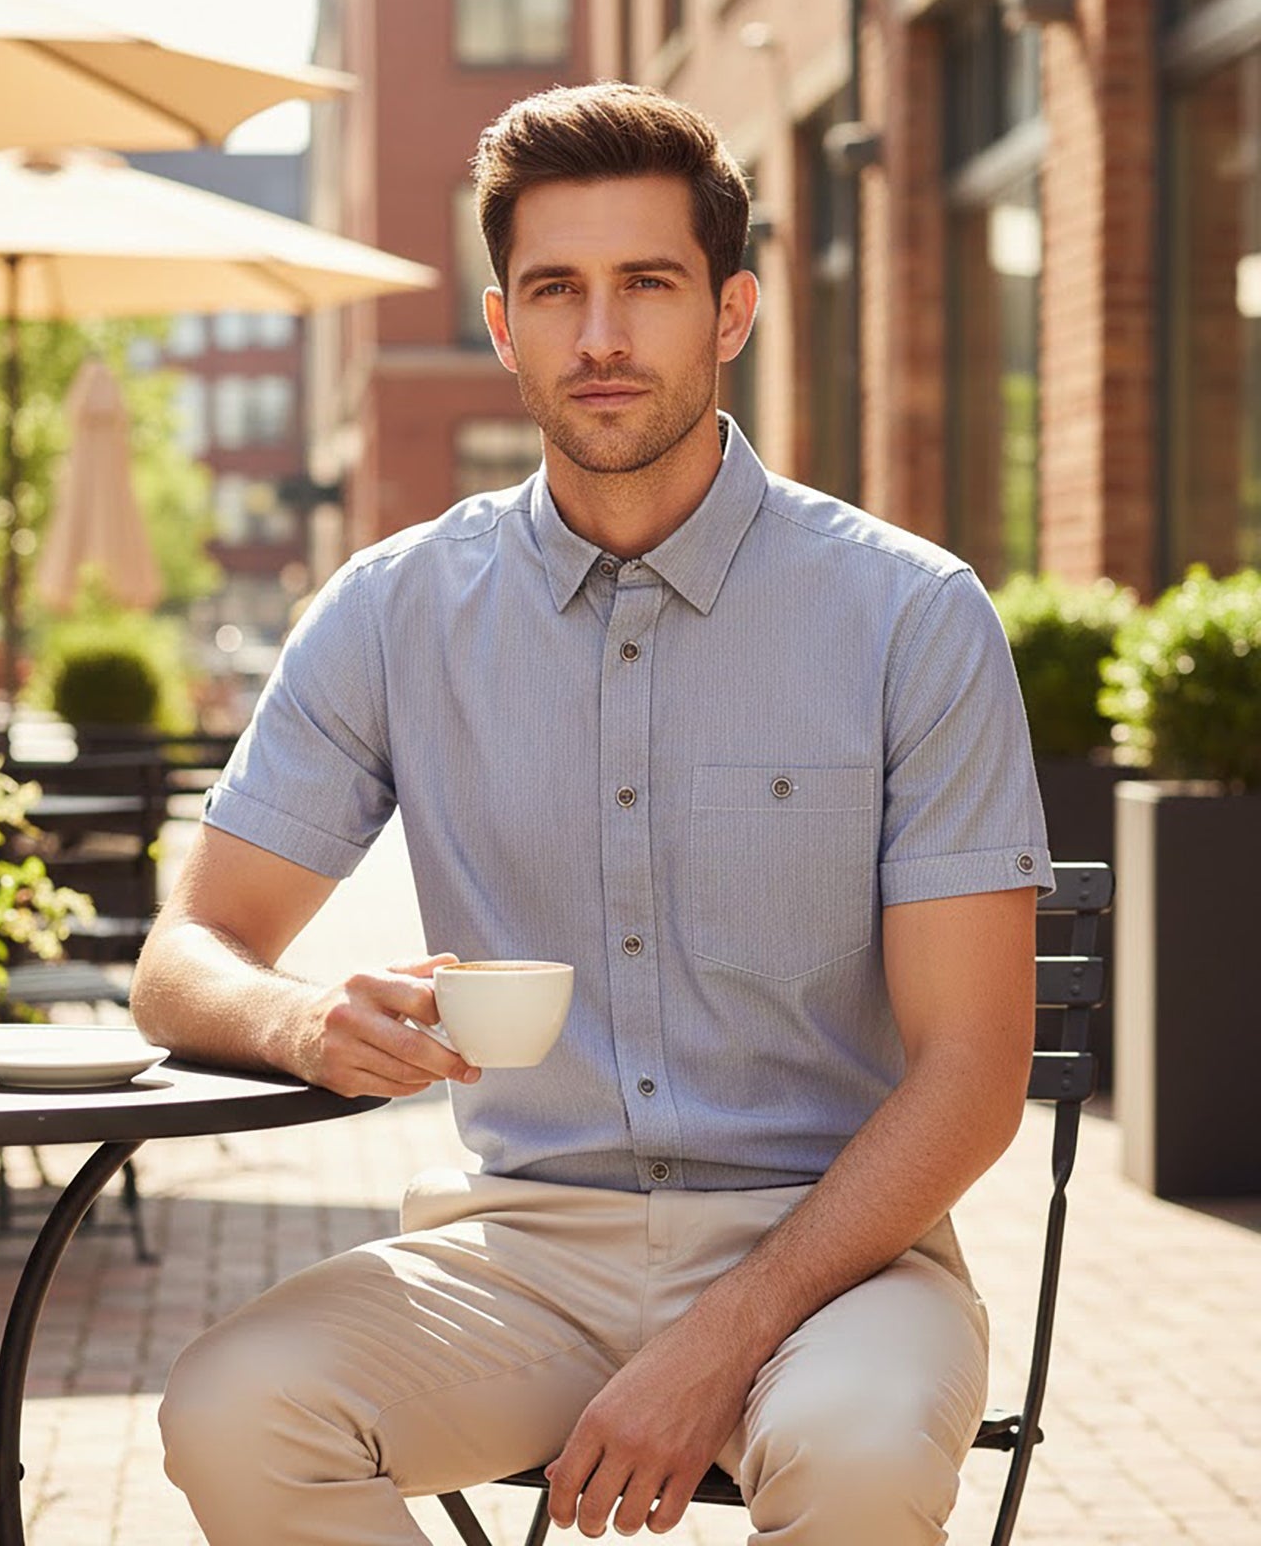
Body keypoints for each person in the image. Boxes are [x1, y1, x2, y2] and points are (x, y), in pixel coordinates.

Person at [133, 81, 1051, 1545]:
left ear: (732, 314)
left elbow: (972, 1072)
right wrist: (301, 1025)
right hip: (523, 1249)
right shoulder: (392, 611)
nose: (603, 337)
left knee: (860, 1456)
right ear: (504, 327)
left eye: (650, 286)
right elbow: (186, 954)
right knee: (237, 1410)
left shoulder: (908, 616)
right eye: (556, 290)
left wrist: (718, 1342)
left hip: (835, 1255)